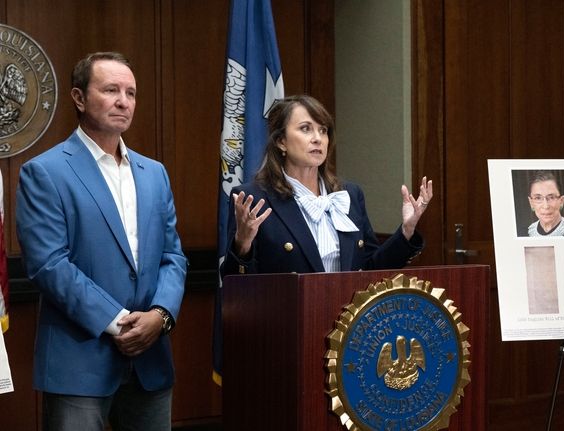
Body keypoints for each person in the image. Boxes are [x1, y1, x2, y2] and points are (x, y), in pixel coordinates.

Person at [15, 52, 187, 431]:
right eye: (110, 90)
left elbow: (173, 256)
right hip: (79, 360)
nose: (123, 101)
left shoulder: (155, 173)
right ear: (79, 97)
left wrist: (160, 316)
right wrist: (120, 323)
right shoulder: (45, 172)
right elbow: (48, 264)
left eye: (131, 92)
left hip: (151, 360)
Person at [220, 94, 433, 277]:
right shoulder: (253, 198)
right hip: (289, 321)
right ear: (281, 141)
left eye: (323, 131)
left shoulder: (349, 194)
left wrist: (406, 231)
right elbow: (236, 287)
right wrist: (243, 244)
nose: (317, 139)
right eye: (305, 129)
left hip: (348, 321)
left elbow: (371, 269)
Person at [526, 170, 564, 236]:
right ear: (531, 203)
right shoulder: (525, 234)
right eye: (538, 198)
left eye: (551, 197)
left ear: (561, 201)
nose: (546, 206)